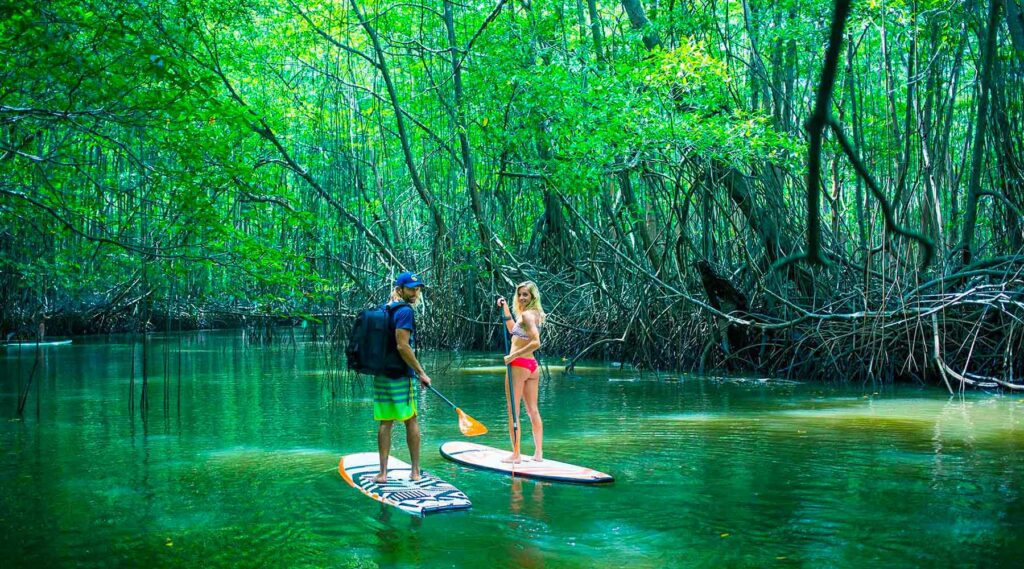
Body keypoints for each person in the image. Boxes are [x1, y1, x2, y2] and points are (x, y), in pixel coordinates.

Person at [373, 271, 432, 483]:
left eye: (417, 288)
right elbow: (402, 345)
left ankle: (382, 474)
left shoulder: (385, 308)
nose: (415, 292)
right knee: (410, 419)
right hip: (399, 375)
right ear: (400, 290)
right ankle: (415, 472)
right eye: (411, 289)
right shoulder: (405, 311)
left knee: (385, 422)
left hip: (381, 373)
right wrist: (421, 372)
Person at [496, 281, 546, 463]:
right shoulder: (534, 314)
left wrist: (512, 356)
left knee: (513, 411)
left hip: (518, 364)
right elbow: (513, 331)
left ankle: (516, 455)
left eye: (526, 294)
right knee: (533, 410)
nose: (522, 297)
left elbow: (536, 342)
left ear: (533, 296)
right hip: (532, 366)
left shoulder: (526, 315)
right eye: (520, 294)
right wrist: (506, 309)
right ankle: (538, 454)